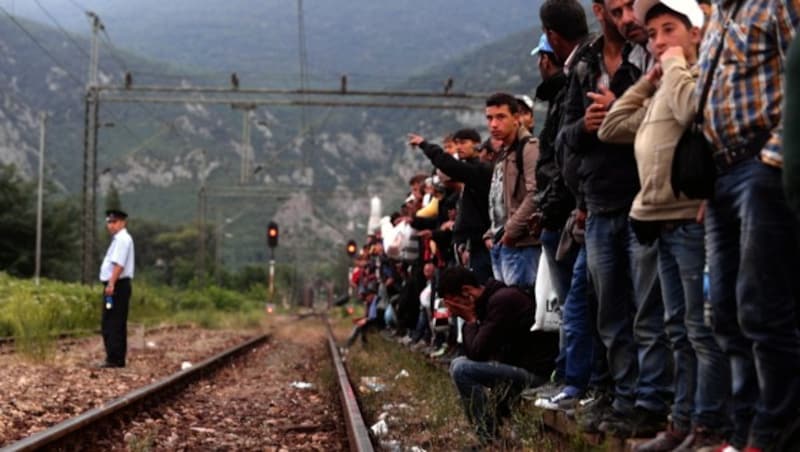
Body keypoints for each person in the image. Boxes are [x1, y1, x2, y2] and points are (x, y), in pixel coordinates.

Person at [598, 0, 730, 449]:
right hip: (657, 222)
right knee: (675, 326)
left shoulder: (694, 78)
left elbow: (692, 108)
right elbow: (612, 127)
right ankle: (682, 421)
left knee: (700, 327)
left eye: (668, 30)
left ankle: (707, 424)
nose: (658, 43)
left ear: (696, 33)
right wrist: (646, 83)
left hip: (687, 218)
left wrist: (673, 66)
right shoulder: (662, 86)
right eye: (652, 35)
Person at [560, 0, 671, 438]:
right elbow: (565, 136)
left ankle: (649, 400)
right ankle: (623, 398)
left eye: (631, 8)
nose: (626, 18)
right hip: (601, 202)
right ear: (598, 10)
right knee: (610, 313)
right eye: (616, 8)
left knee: (649, 308)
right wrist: (586, 126)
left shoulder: (647, 53)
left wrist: (621, 109)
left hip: (645, 196)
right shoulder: (584, 64)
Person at [697, 0, 800, 449]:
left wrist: (772, 163)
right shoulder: (719, 15)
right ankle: (744, 429)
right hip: (720, 176)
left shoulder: (776, 4)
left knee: (762, 307)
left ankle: (775, 429)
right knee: (724, 310)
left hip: (760, 166)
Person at [532, 0, 598, 411]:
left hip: (575, 209)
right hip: (570, 207)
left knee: (578, 305)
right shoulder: (575, 76)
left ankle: (581, 385)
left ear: (553, 39)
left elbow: (565, 154)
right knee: (575, 306)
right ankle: (573, 380)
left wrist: (559, 202)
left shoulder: (581, 71)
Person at [440, 267, 558, 446]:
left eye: (453, 303)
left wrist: (470, 319)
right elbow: (480, 352)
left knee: (462, 369)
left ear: (466, 292)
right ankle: (488, 434)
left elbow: (477, 352)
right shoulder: (489, 303)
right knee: (458, 363)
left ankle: (488, 438)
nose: (450, 311)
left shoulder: (501, 301)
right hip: (519, 369)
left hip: (537, 376)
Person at [408, 129, 493, 284]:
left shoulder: (478, 170)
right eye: (457, 143)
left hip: (480, 246)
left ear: (477, 145)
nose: (459, 147)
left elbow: (448, 164)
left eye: (463, 142)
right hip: (469, 246)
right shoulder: (470, 172)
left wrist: (425, 145)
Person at [483, 92, 541, 287]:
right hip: (501, 244)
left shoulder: (529, 147)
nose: (493, 124)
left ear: (516, 119)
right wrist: (491, 234)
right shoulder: (504, 153)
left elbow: (535, 194)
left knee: (520, 306)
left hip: (521, 245)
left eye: (500, 117)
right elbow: (498, 198)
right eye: (489, 118)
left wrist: (510, 232)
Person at [98, 209, 135, 368]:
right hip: (113, 286)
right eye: (109, 222)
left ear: (122, 222)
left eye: (114, 222)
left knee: (114, 321)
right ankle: (113, 356)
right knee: (110, 319)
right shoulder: (118, 239)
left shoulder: (122, 239)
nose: (111, 225)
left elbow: (119, 264)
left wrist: (111, 283)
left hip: (116, 286)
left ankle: (115, 358)